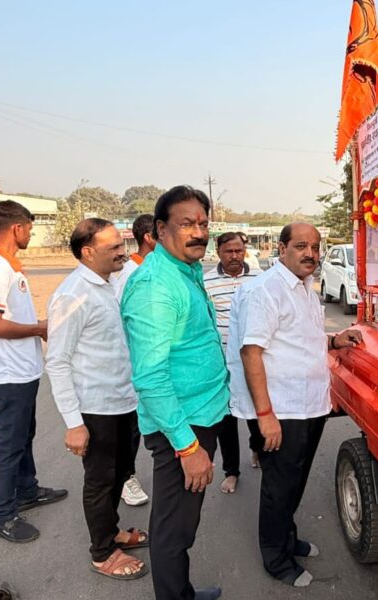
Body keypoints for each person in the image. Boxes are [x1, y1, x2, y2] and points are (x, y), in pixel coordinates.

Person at [227, 222, 363, 588]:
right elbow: (251, 352)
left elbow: (301, 339)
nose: (311, 254)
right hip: (281, 409)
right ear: (282, 248)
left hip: (308, 405)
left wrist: (334, 342)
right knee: (279, 486)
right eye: (301, 246)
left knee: (294, 481)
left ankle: (288, 539)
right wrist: (266, 416)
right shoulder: (265, 291)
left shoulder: (304, 288)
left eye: (316, 248)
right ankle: (276, 559)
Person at [120, 185, 227, 600]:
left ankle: (180, 591)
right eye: (186, 224)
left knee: (182, 522)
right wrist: (188, 447)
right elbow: (150, 377)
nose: (198, 232)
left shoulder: (187, 269)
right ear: (160, 230)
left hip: (202, 412)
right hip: (182, 425)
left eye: (203, 223)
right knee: (173, 528)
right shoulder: (154, 287)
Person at [46, 219, 149, 581]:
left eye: (121, 244)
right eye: (113, 248)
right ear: (88, 252)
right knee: (100, 480)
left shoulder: (111, 283)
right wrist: (74, 423)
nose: (123, 251)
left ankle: (113, 531)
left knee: (121, 472)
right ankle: (102, 552)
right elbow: (57, 361)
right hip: (95, 408)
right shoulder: (72, 295)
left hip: (124, 401)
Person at [0, 200, 67, 544]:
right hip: (9, 373)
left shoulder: (7, 266)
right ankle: (4, 515)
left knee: (24, 435)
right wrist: (38, 328)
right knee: (11, 444)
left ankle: (27, 489)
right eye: (29, 227)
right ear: (17, 228)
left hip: (22, 371)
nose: (30, 233)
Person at [203, 231, 261, 494]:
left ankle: (257, 449)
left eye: (239, 251)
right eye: (229, 252)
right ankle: (231, 471)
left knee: (255, 412)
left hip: (254, 361)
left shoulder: (259, 280)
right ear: (219, 252)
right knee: (225, 420)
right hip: (221, 363)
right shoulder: (206, 282)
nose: (235, 256)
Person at [113, 213, 155, 507]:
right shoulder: (129, 274)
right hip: (132, 362)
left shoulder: (154, 269)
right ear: (151, 237)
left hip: (150, 361)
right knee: (129, 425)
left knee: (142, 422)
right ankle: (125, 477)